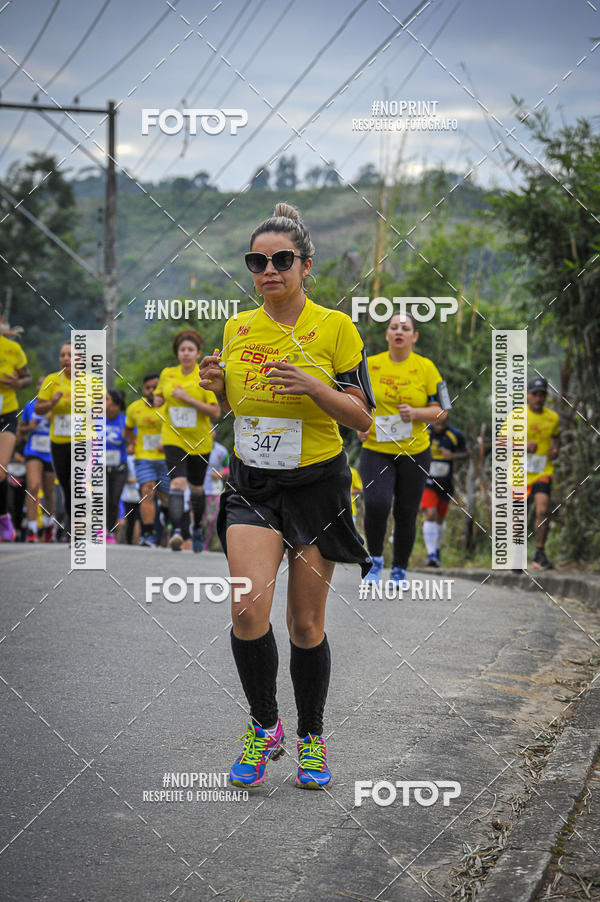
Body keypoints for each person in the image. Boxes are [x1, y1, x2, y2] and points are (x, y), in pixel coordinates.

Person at [198, 201, 374, 790]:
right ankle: (264, 724)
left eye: (281, 259)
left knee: (304, 624)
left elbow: (364, 419)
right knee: (248, 609)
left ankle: (312, 737)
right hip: (253, 484)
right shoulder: (238, 328)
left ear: (305, 266)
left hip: (317, 486)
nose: (268, 269)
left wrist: (314, 386)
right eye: (257, 260)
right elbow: (239, 413)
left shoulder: (337, 328)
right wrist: (218, 389)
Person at [358, 313, 449, 585]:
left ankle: (400, 568)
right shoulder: (369, 365)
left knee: (406, 511)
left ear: (414, 336)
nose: (399, 331)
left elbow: (443, 410)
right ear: (387, 334)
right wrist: (359, 424)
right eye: (394, 327)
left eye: (406, 328)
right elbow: (354, 399)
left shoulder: (427, 367)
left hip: (415, 451)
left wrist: (417, 413)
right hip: (376, 448)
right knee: (376, 503)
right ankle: (374, 561)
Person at [155, 330, 220, 552]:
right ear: (177, 353)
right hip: (173, 436)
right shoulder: (167, 373)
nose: (185, 353)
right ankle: (176, 531)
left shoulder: (204, 375)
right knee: (177, 482)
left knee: (196, 489)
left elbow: (215, 412)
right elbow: (158, 396)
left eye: (190, 350)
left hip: (200, 440)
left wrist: (187, 398)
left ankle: (197, 528)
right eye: (182, 349)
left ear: (198, 353)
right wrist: (157, 400)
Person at [124, 373, 170, 548]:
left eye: (155, 387)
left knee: (165, 497)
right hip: (143, 457)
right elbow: (128, 429)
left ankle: (167, 517)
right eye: (148, 387)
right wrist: (130, 443)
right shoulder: (134, 408)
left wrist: (168, 445)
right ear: (144, 389)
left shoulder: (169, 407)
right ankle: (148, 535)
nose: (152, 390)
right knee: (147, 491)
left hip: (166, 458)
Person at [420, 417, 468, 567]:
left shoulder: (455, 435)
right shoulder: (423, 431)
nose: (439, 426)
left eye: (443, 423)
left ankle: (437, 548)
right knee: (430, 514)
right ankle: (431, 554)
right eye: (437, 423)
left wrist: (453, 456)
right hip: (428, 481)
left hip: (446, 482)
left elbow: (467, 454)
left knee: (440, 518)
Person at [35, 343, 73, 531]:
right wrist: (53, 402)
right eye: (62, 355)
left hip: (82, 441)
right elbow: (38, 409)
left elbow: (103, 404)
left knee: (77, 482)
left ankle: (76, 525)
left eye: (71, 355)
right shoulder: (51, 379)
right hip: (58, 441)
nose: (66, 358)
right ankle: (70, 520)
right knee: (66, 484)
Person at [0, 320, 32, 541]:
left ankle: (3, 517)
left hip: (6, 414)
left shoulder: (12, 348)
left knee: (0, 471)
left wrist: (17, 384)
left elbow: (27, 377)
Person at [525, 376, 560, 570]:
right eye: (535, 394)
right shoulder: (517, 416)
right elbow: (501, 442)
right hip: (520, 472)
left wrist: (555, 450)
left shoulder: (552, 418)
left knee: (543, 510)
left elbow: (556, 438)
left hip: (543, 471)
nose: (539, 398)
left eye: (542, 395)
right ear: (528, 395)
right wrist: (523, 446)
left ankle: (539, 552)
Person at [21, 377, 56, 542]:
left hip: (52, 451)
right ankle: (32, 529)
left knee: (49, 491)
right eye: (40, 384)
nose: (42, 387)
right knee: (33, 487)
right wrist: (30, 427)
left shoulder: (59, 406)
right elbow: (20, 429)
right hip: (33, 450)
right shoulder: (30, 405)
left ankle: (49, 525)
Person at [105, 389, 128, 543]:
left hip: (119, 468)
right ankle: (99, 528)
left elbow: (132, 441)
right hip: (100, 466)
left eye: (115, 405)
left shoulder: (125, 421)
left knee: (114, 499)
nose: (111, 408)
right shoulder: (96, 419)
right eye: (109, 404)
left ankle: (110, 531)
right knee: (103, 497)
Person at [202, 438, 229, 551]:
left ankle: (207, 546)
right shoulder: (193, 447)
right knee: (197, 518)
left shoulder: (221, 451)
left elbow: (228, 467)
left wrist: (220, 473)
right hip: (194, 489)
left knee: (211, 519)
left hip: (213, 490)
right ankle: (193, 541)